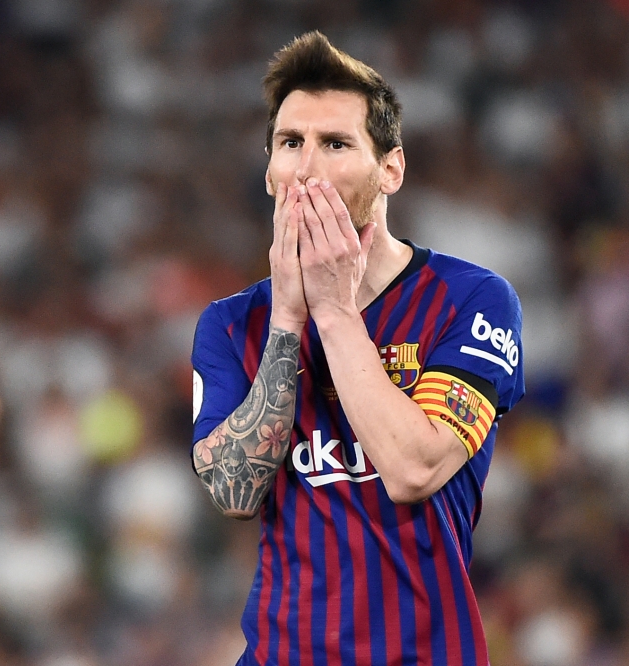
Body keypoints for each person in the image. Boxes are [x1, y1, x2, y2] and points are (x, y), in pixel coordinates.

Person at [190, 31, 524, 666]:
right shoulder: (232, 324)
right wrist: (289, 318)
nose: (308, 168)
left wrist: (334, 309)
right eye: (291, 144)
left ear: (390, 168)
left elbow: (414, 469)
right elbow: (235, 495)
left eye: (336, 144)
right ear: (268, 171)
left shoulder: (471, 300)